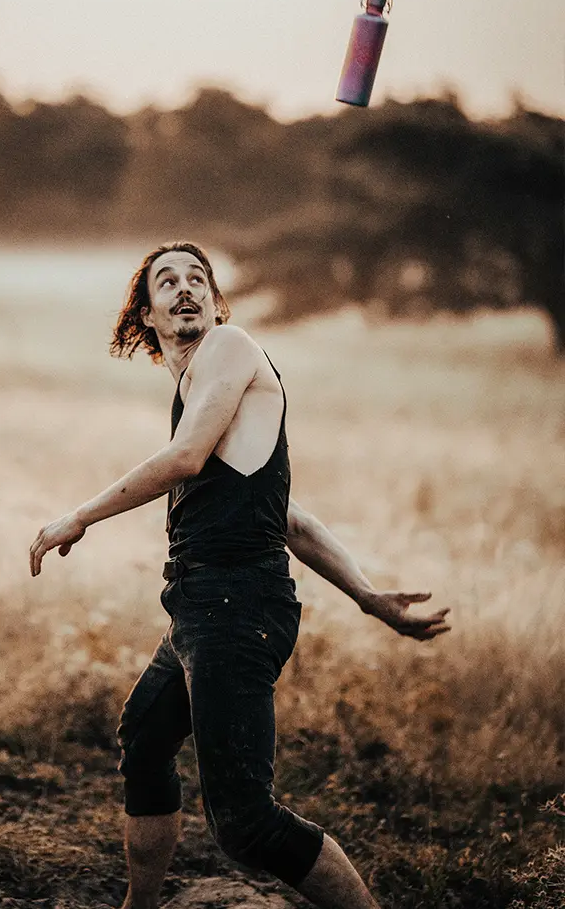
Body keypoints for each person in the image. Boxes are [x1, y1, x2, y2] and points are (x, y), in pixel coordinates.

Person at [29, 241, 451, 909]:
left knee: (246, 822)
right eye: (167, 281)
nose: (186, 287)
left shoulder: (228, 349)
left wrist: (79, 516)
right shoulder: (203, 389)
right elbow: (288, 518)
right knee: (145, 736)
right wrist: (369, 598)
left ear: (217, 303)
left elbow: (186, 458)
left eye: (199, 277)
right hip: (203, 605)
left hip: (237, 605)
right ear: (146, 312)